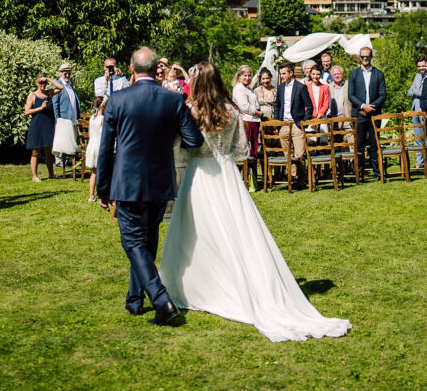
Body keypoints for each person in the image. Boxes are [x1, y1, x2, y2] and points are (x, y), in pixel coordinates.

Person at [159, 62, 352, 342]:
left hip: (198, 174)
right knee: (235, 229)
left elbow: (180, 145)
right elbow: (242, 150)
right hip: (226, 174)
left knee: (197, 230)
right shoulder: (231, 110)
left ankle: (201, 285)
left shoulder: (190, 111)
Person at [96, 46, 204, 325]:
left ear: (131, 70)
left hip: (128, 182)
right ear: (156, 69)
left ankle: (161, 300)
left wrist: (102, 188)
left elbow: (106, 149)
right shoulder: (172, 100)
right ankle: (134, 299)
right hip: (161, 180)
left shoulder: (118, 100)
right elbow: (193, 140)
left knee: (133, 241)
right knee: (147, 241)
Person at [347, 44, 387, 181]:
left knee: (375, 144)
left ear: (371, 57)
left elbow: (383, 94)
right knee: (359, 145)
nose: (365, 59)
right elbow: (351, 94)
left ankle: (377, 173)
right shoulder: (353, 74)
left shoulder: (379, 74)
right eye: (362, 56)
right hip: (359, 114)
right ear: (360, 57)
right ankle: (359, 174)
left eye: (367, 56)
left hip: (374, 114)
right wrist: (363, 106)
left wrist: (371, 107)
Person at [273, 61, 313, 188]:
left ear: (291, 73)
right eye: (281, 74)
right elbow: (278, 106)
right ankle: (292, 178)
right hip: (284, 124)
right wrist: (278, 123)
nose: (282, 76)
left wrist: (303, 122)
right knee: (287, 154)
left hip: (296, 124)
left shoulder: (300, 87)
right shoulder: (280, 88)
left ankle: (301, 179)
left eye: (284, 73)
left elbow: (309, 106)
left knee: (299, 154)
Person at [25, 74, 62, 181]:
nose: (43, 85)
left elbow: (60, 88)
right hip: (37, 125)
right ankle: (34, 176)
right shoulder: (32, 95)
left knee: (48, 150)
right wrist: (40, 108)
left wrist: (49, 79)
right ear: (37, 83)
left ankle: (51, 173)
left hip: (48, 125)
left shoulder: (49, 93)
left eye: (44, 83)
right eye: (41, 82)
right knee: (35, 151)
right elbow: (27, 111)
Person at [232, 65, 262, 166]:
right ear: (239, 76)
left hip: (254, 121)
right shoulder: (239, 88)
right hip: (246, 121)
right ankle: (244, 177)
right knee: (246, 150)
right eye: (245, 75)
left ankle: (251, 177)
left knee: (253, 150)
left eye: (249, 76)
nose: (247, 78)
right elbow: (244, 106)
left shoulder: (248, 89)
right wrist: (257, 112)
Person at [52, 63, 81, 167]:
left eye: (69, 73)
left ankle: (69, 160)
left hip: (72, 118)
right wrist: (57, 118)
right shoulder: (57, 85)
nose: (67, 75)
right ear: (61, 74)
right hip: (63, 118)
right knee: (62, 139)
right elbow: (55, 103)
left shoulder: (70, 85)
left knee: (71, 139)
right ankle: (59, 161)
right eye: (65, 73)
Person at [407, 55, 427, 169]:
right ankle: (419, 163)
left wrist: (416, 91)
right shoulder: (417, 77)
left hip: (424, 110)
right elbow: (409, 92)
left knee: (426, 137)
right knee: (418, 138)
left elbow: (424, 93)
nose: (421, 68)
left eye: (423, 66)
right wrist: (417, 91)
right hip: (415, 109)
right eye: (419, 66)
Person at [85, 97, 106, 201]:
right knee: (102, 171)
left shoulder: (91, 118)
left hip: (91, 144)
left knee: (94, 171)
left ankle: (91, 195)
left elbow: (89, 134)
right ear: (102, 106)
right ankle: (104, 195)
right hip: (99, 145)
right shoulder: (102, 118)